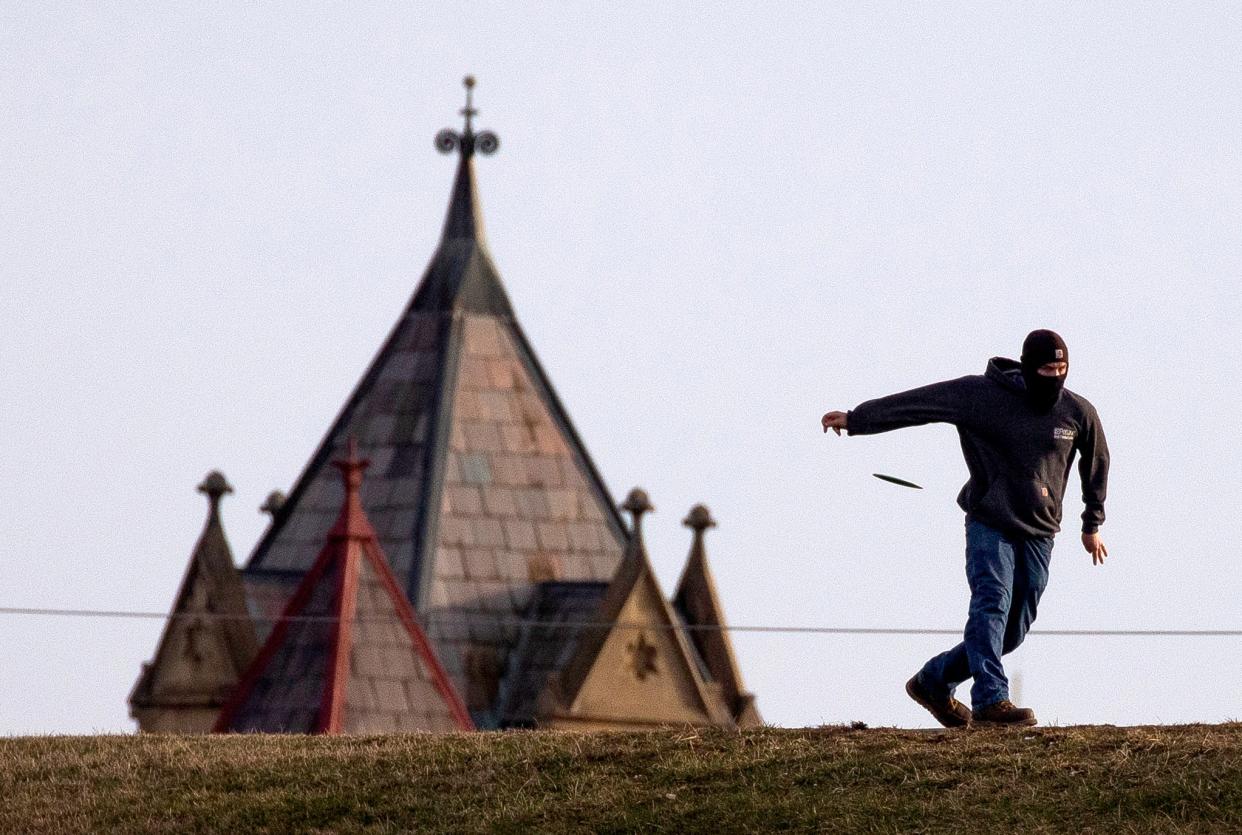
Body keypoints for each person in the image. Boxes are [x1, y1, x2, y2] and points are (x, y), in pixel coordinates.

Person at [821, 329, 1109, 727]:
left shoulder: (1076, 412)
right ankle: (993, 701)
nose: (1055, 376)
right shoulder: (980, 395)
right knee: (992, 601)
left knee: (1013, 631)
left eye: (1062, 369)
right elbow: (918, 404)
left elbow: (1096, 462)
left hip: (1041, 532)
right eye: (1046, 368)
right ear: (1028, 368)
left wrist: (1091, 523)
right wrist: (857, 420)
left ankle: (933, 681)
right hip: (990, 522)